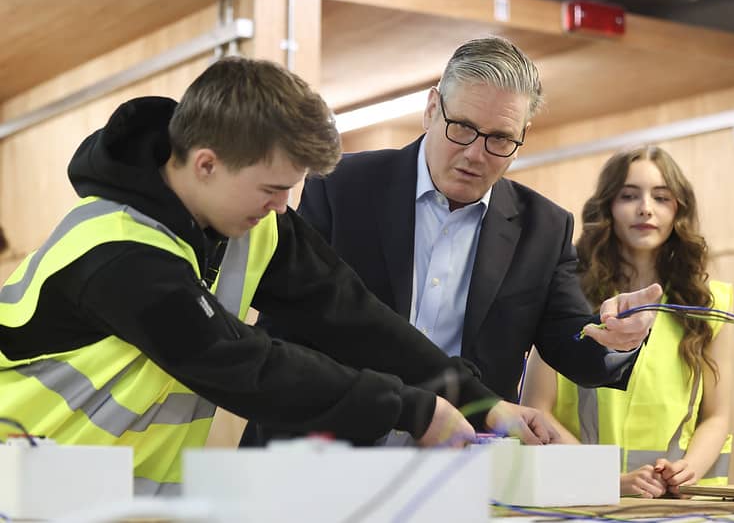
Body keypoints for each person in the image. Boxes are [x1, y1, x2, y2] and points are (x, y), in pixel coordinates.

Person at [1, 57, 590, 496]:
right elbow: (245, 364)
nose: (283, 207)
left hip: (118, 493)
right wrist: (413, 410)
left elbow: (355, 317)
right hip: (25, 487)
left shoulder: (253, 223)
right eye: (271, 188)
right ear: (206, 164)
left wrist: (483, 402)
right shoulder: (118, 252)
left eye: (290, 188)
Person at [245, 36, 661, 445]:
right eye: (462, 127)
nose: (476, 154)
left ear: (523, 136)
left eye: (500, 139)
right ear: (431, 109)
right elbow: (290, 326)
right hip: (324, 448)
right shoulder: (343, 187)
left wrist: (614, 338)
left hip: (459, 458)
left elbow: (572, 345)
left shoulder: (544, 228)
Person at [522, 145, 733, 498]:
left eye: (661, 198)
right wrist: (607, 480)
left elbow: (716, 415)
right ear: (607, 206)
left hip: (678, 505)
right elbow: (536, 410)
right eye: (629, 195)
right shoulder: (567, 298)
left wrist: (688, 469)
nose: (645, 208)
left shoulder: (708, 305)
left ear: (679, 210)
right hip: (581, 500)